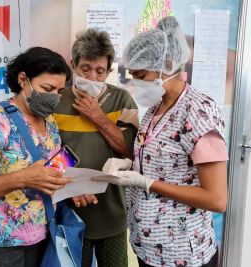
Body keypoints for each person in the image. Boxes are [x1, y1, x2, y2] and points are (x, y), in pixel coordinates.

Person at [95, 17, 228, 267]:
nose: (136, 82)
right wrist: (130, 166)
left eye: (141, 74)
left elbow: (217, 199)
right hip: (149, 246)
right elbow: (161, 162)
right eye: (133, 75)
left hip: (183, 253)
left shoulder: (199, 113)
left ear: (167, 64)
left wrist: (148, 183)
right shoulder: (155, 108)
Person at [0, 47, 73, 267]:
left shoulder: (51, 123)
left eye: (59, 92)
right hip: (0, 245)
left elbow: (50, 169)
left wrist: (70, 185)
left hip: (43, 234)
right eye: (47, 88)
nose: (54, 98)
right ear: (23, 79)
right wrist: (22, 178)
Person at [53, 28, 139, 267]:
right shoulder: (56, 100)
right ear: (73, 65)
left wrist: (98, 117)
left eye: (100, 71)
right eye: (85, 69)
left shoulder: (122, 100)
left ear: (109, 71)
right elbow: (46, 152)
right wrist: (70, 185)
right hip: (68, 211)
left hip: (112, 211)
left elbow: (130, 151)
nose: (92, 77)